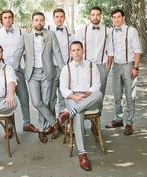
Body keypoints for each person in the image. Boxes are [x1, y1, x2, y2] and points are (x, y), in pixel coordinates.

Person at [13, 11, 65, 143]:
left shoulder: (50, 34)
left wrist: (64, 70)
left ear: (44, 21)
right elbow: (18, 53)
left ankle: (41, 130)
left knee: (46, 102)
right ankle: (54, 122)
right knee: (36, 102)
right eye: (36, 20)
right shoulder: (25, 36)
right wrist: (14, 70)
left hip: (47, 72)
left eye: (41, 20)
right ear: (32, 21)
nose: (39, 22)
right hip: (32, 74)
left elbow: (57, 53)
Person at [0, 9, 38, 133]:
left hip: (18, 70)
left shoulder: (21, 32)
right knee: (6, 99)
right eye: (5, 17)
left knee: (24, 97)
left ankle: (27, 123)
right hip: (3, 72)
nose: (8, 20)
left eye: (10, 17)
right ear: (1, 20)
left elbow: (27, 52)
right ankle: (9, 126)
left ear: (13, 19)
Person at [59, 41, 102, 171]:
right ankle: (82, 154)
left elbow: (96, 85)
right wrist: (74, 97)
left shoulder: (91, 66)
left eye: (79, 50)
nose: (76, 52)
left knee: (99, 93)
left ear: (83, 51)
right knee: (78, 114)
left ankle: (70, 112)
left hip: (88, 96)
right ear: (70, 53)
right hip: (73, 97)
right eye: (74, 50)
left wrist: (88, 93)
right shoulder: (66, 68)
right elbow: (63, 89)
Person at [105, 9, 142, 135]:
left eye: (118, 17)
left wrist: (136, 67)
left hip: (129, 65)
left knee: (130, 95)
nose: (116, 19)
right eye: (114, 17)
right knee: (117, 94)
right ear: (112, 19)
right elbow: (110, 52)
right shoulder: (110, 32)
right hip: (116, 66)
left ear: (124, 17)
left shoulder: (131, 31)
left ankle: (129, 123)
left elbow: (137, 50)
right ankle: (119, 119)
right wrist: (107, 69)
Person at [75, 6, 112, 112]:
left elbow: (110, 51)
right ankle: (82, 119)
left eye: (98, 15)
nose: (95, 17)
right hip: (86, 65)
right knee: (84, 92)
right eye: (93, 15)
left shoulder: (107, 30)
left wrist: (107, 69)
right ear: (89, 16)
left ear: (101, 16)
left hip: (101, 66)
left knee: (100, 94)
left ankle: (96, 123)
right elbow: (77, 49)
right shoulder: (82, 30)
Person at [47, 8, 75, 134]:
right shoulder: (48, 32)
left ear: (64, 18)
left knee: (64, 97)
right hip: (52, 68)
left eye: (61, 16)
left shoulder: (70, 33)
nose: (59, 19)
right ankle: (53, 124)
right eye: (57, 16)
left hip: (66, 69)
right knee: (51, 98)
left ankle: (63, 123)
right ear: (53, 18)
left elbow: (74, 50)